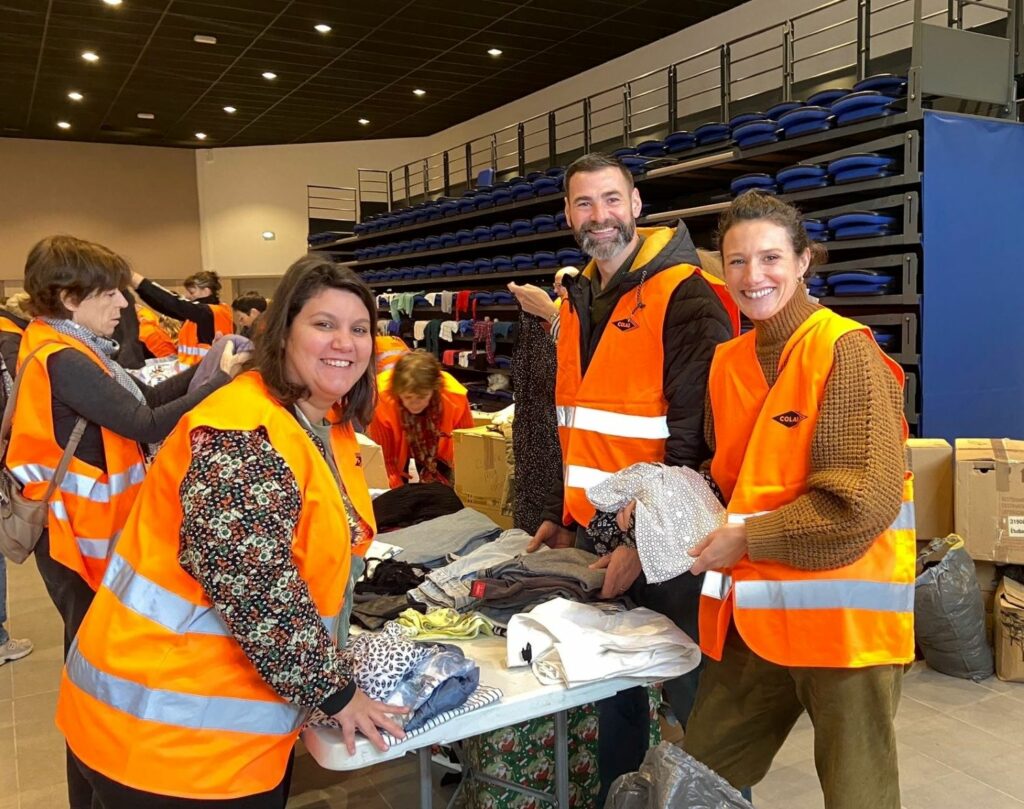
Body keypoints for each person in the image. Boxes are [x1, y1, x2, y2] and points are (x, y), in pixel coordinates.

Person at [56, 256, 407, 808]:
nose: (345, 342)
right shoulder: (242, 431)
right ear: (283, 332)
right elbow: (252, 585)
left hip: (191, 725)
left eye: (358, 329)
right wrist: (337, 692)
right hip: (171, 736)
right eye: (324, 324)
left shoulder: (317, 421)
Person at [682, 191, 913, 809]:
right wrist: (668, 499)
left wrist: (746, 539)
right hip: (754, 618)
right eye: (736, 261)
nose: (753, 276)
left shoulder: (844, 351)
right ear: (720, 268)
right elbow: (731, 475)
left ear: (803, 261)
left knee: (856, 795)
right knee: (695, 776)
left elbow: (861, 504)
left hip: (842, 627)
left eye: (770, 258)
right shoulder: (727, 361)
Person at [6, 235, 247, 809]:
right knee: (93, 674)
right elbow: (143, 422)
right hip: (72, 537)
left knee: (94, 667)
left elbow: (138, 399)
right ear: (68, 296)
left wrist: (204, 375)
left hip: (87, 532)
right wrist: (218, 383)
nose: (124, 305)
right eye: (110, 293)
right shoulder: (62, 357)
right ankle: (93, 789)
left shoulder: (76, 347)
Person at [527, 152, 737, 802]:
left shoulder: (684, 294)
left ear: (637, 204)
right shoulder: (578, 296)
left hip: (670, 542)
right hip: (600, 530)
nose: (599, 217)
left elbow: (692, 438)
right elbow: (577, 424)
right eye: (584, 204)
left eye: (611, 200)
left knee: (698, 704)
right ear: (567, 214)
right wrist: (564, 515)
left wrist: (637, 542)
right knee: (616, 691)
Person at [368, 350, 473, 488]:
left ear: (434, 390)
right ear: (397, 392)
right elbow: (386, 461)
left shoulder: (455, 397)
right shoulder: (381, 400)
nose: (414, 403)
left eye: (422, 397)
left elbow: (467, 451)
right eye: (408, 397)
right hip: (400, 441)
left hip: (437, 446)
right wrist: (399, 496)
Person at [130, 269, 234, 368]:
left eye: (192, 292)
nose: (187, 296)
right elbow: (164, 306)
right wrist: (139, 289)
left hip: (205, 373)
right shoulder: (200, 315)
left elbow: (174, 303)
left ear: (206, 291)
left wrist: (136, 280)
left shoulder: (210, 312)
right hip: (194, 371)